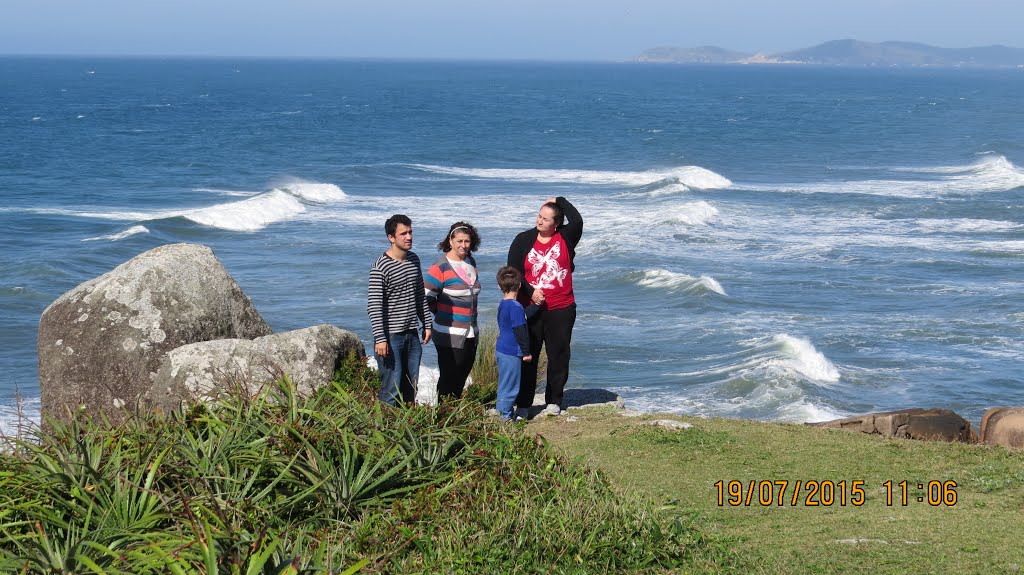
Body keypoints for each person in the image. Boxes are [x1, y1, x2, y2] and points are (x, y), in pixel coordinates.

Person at [506, 196, 583, 418]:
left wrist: (559, 200)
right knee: (528, 355)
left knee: (558, 354)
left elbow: (577, 221)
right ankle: (523, 403)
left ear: (556, 223)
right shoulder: (523, 239)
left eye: (546, 218)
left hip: (562, 307)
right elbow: (513, 271)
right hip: (530, 309)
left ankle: (554, 401)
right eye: (539, 216)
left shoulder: (566, 237)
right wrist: (530, 292)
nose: (540, 221)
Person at [368, 214, 432, 406]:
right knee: (390, 389)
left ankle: (407, 430)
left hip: (412, 334)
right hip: (390, 337)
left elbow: (420, 294)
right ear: (391, 237)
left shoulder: (414, 260)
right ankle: (384, 431)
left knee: (410, 388)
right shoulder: (380, 266)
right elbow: (374, 305)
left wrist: (427, 324)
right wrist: (380, 338)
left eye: (410, 232)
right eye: (403, 233)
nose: (409, 237)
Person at [424, 222, 482, 399]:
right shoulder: (440, 266)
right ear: (450, 240)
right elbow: (426, 297)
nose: (463, 245)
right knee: (449, 380)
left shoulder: (470, 262)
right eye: (459, 241)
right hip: (448, 334)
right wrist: (442, 314)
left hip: (471, 333)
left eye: (467, 241)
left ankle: (455, 419)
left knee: (461, 379)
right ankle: (442, 420)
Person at [494, 266, 535, 420]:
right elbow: (520, 331)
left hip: (502, 349)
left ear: (499, 286)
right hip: (511, 351)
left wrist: (536, 306)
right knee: (510, 387)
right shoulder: (516, 307)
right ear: (519, 285)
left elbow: (522, 316)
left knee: (504, 383)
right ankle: (504, 418)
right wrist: (526, 352)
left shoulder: (504, 304)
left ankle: (504, 414)